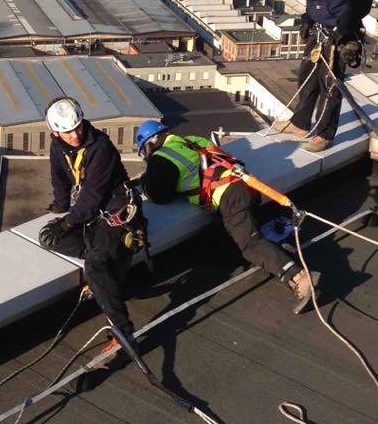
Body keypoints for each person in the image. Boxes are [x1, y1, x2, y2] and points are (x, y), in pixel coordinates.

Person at [135, 121, 316, 314]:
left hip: (229, 196)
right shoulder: (192, 140)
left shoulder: (161, 158)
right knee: (241, 233)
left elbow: (159, 196)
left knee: (249, 245)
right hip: (243, 185)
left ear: (150, 143)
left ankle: (300, 278)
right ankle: (277, 249)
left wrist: (146, 179)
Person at [38, 97, 142, 362]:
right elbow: (59, 177)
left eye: (78, 128)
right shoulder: (58, 146)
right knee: (48, 240)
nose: (75, 135)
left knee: (95, 266)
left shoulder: (101, 147)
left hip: (117, 211)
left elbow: (92, 196)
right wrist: (59, 209)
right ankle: (107, 260)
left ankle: (123, 333)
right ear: (55, 132)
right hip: (94, 215)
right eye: (68, 131)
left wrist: (68, 223)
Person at [285, 0, 372, 153]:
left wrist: (343, 29)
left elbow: (362, 2)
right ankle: (300, 124)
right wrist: (308, 16)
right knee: (307, 75)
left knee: (329, 84)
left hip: (338, 30)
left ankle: (324, 135)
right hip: (320, 26)